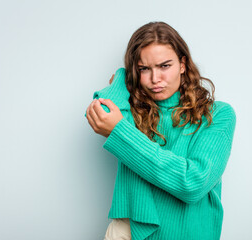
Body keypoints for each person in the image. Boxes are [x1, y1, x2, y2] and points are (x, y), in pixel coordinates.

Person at [85, 21, 236, 240]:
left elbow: (192, 183)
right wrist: (122, 76)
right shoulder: (134, 110)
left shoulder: (218, 114)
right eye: (144, 69)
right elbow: (101, 111)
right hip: (128, 232)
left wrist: (121, 133)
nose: (155, 79)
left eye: (164, 66)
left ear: (182, 64)